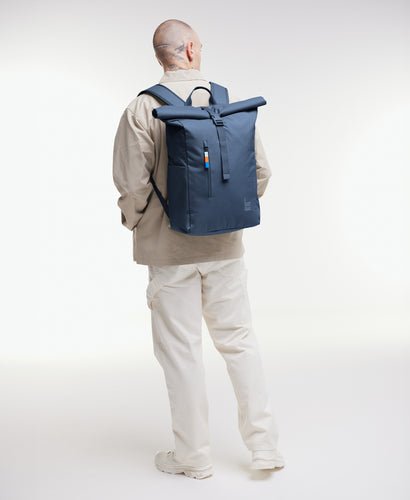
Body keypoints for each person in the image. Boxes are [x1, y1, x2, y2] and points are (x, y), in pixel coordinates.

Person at [112, 18, 284, 479]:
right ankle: (264, 447)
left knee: (182, 353)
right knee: (239, 342)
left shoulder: (141, 108)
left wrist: (141, 225)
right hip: (226, 247)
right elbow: (261, 173)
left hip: (169, 253)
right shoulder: (227, 104)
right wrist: (226, 214)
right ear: (189, 49)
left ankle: (193, 457)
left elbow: (131, 185)